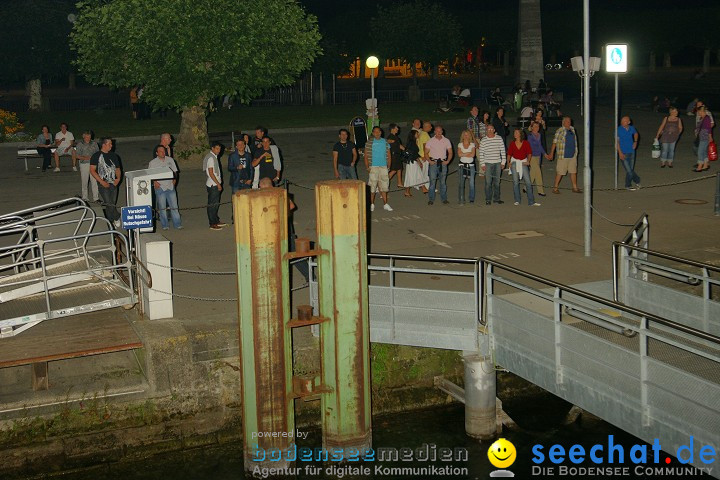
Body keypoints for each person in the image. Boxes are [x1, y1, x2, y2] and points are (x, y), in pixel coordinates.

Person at [89, 138, 122, 228]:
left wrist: (118, 178)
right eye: (110, 144)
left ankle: (110, 222)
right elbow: (92, 170)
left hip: (113, 183)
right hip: (103, 184)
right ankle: (117, 216)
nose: (112, 145)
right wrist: (101, 182)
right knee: (109, 203)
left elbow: (118, 169)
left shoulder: (114, 156)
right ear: (103, 145)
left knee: (111, 204)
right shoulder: (96, 156)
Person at [149, 144, 182, 230]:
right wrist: (155, 182)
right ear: (157, 153)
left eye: (164, 151)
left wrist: (174, 181)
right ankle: (165, 225)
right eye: (160, 151)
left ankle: (177, 224)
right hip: (160, 187)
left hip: (170, 186)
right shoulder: (152, 163)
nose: (163, 153)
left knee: (174, 206)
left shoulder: (170, 160)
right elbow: (149, 175)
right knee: (162, 208)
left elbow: (175, 171)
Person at [548, 116, 582, 194]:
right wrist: (551, 153)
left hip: (572, 155)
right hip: (563, 155)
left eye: (569, 121)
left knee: (573, 171)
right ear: (563, 122)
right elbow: (554, 142)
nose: (569, 122)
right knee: (560, 172)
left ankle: (575, 187)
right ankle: (555, 188)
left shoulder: (572, 129)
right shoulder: (559, 131)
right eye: (567, 121)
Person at [507, 129, 540, 206]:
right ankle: (517, 200)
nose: (515, 134)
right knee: (515, 182)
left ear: (520, 134)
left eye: (517, 133)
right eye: (514, 132)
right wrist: (508, 162)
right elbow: (509, 154)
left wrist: (528, 161)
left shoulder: (525, 143)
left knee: (528, 182)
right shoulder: (512, 143)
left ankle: (531, 201)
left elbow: (529, 153)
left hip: (523, 162)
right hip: (515, 162)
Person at [364, 126, 393, 212]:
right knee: (372, 186)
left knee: (384, 186)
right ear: (373, 133)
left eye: (378, 131)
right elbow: (366, 156)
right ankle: (372, 204)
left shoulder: (385, 142)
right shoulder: (369, 143)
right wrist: (367, 167)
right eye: (375, 132)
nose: (377, 133)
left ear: (381, 132)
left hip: (383, 166)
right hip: (373, 166)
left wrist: (389, 166)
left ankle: (385, 204)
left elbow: (389, 155)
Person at [424, 125, 453, 205]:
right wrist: (429, 161)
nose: (439, 132)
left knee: (443, 182)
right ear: (434, 132)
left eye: (440, 131)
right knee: (432, 182)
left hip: (443, 163)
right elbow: (426, 153)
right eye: (437, 131)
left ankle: (444, 199)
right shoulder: (430, 141)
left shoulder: (446, 140)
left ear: (442, 131)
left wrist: (448, 161)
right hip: (433, 163)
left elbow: (450, 152)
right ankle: (431, 199)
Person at [478, 125, 506, 205]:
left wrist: (503, 162)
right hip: (488, 163)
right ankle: (488, 199)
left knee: (497, 182)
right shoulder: (483, 140)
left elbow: (502, 150)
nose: (490, 130)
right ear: (486, 130)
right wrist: (482, 164)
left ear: (494, 130)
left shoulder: (499, 138)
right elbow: (481, 153)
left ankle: (496, 199)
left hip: (497, 163)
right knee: (488, 183)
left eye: (491, 129)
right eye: (488, 129)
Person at [203, 141, 226, 230]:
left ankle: (216, 220)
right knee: (212, 205)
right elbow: (211, 173)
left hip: (214, 184)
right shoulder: (211, 158)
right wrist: (218, 184)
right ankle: (212, 223)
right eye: (217, 148)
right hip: (213, 185)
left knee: (215, 204)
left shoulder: (213, 157)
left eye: (219, 148)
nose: (219, 150)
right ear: (212, 148)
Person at [616, 116, 641, 190]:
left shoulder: (631, 128)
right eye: (622, 121)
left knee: (630, 169)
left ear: (628, 122)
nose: (622, 122)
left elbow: (636, 133)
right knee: (629, 171)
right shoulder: (618, 130)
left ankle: (636, 181)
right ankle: (629, 185)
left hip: (632, 151)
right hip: (623, 152)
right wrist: (620, 152)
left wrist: (635, 141)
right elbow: (617, 142)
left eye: (624, 121)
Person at [75, 131, 100, 202]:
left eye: (89, 137)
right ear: (83, 136)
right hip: (84, 164)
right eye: (87, 137)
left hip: (93, 164)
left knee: (94, 181)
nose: (88, 138)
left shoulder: (94, 144)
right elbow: (77, 155)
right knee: (84, 181)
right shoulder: (80, 144)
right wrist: (85, 158)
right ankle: (85, 197)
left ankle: (96, 197)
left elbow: (98, 153)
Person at [527, 122, 548, 196]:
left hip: (538, 156)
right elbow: (531, 147)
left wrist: (544, 154)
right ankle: (540, 190)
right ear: (532, 127)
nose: (536, 128)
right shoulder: (530, 136)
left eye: (538, 126)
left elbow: (540, 146)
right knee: (538, 172)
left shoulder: (539, 135)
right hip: (532, 156)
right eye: (535, 126)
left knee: (533, 173)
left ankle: (526, 187)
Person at [457, 129, 477, 205]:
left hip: (471, 165)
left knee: (471, 183)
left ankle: (471, 199)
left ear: (469, 136)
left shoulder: (472, 145)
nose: (466, 136)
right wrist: (468, 153)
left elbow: (472, 155)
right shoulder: (460, 144)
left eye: (467, 134)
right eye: (464, 134)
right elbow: (459, 155)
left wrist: (464, 153)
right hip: (462, 165)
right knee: (461, 183)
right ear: (462, 136)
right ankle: (461, 198)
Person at [402, 129, 421, 197]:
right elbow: (413, 153)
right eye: (417, 134)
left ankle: (424, 188)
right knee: (411, 176)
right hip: (412, 162)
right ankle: (407, 191)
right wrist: (419, 161)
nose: (418, 135)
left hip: (411, 161)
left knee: (417, 174)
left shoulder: (413, 142)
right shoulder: (412, 143)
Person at [695, 106, 714, 172]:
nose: (698, 113)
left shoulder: (706, 118)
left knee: (700, 151)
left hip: (705, 136)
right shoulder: (702, 118)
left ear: (701, 111)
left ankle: (700, 166)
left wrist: (710, 137)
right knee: (704, 151)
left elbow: (709, 128)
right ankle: (705, 165)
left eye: (698, 111)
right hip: (701, 136)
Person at [387, 123, 405, 188]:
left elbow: (398, 145)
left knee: (399, 169)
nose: (398, 129)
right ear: (392, 129)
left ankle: (399, 183)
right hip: (394, 156)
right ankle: (383, 183)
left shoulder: (395, 137)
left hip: (397, 155)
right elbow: (388, 141)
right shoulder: (391, 137)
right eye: (396, 128)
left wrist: (405, 150)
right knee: (394, 170)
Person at [417, 121, 432, 193]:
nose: (431, 127)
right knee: (425, 173)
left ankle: (424, 186)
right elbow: (425, 146)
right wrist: (426, 156)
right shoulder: (425, 135)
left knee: (423, 172)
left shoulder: (421, 133)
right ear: (425, 127)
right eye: (430, 126)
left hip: (421, 155)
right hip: (424, 156)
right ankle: (426, 187)